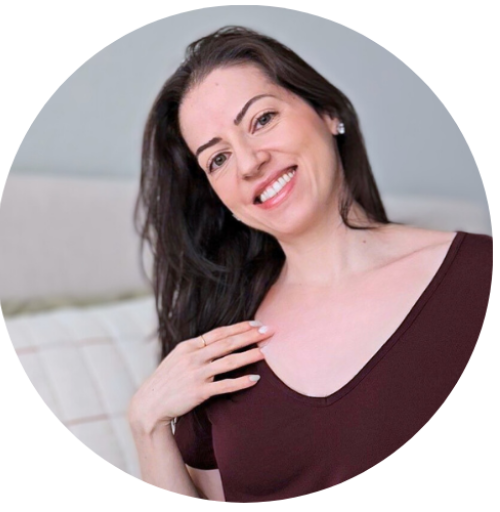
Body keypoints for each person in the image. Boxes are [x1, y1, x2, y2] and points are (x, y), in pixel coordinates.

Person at [127, 26, 492, 502]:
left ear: (328, 113)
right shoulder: (219, 348)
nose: (249, 163)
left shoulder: (478, 274)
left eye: (261, 120)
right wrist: (147, 425)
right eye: (218, 159)